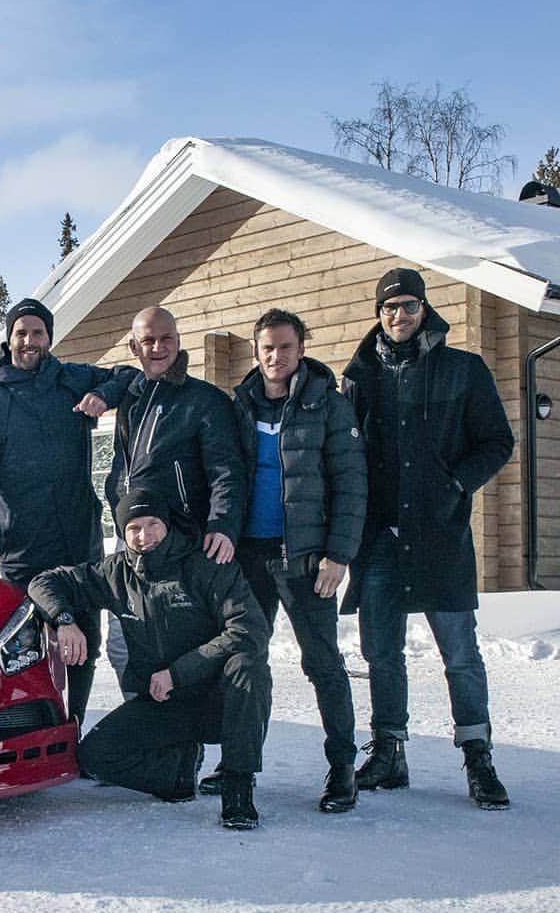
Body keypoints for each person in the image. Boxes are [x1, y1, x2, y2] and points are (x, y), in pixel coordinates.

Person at [341, 268, 514, 809]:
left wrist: (456, 482)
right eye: (389, 307)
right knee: (381, 651)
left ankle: (478, 753)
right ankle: (390, 751)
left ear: (424, 309)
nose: (399, 316)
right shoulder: (358, 376)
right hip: (381, 540)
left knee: (460, 654)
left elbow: (497, 441)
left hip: (440, 535)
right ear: (379, 313)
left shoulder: (462, 369)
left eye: (408, 306)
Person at [27, 489, 272, 830]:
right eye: (134, 528)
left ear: (167, 524)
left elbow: (250, 631)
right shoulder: (116, 573)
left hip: (219, 699)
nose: (145, 536)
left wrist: (178, 672)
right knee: (94, 756)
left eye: (153, 524)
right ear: (123, 533)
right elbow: (44, 582)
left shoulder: (205, 564)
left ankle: (238, 786)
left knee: (248, 666)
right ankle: (177, 774)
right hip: (164, 702)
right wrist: (64, 621)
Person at [213, 308, 367, 813]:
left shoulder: (328, 405)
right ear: (255, 352)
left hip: (306, 558)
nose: (275, 356)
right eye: (266, 348)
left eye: (284, 346)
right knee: (244, 661)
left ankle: (343, 766)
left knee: (322, 663)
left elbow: (350, 484)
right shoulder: (239, 406)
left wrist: (337, 555)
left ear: (301, 348)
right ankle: (237, 764)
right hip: (249, 556)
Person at [0, 297, 131, 727]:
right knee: (23, 637)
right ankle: (30, 725)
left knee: (84, 638)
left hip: (77, 535)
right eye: (21, 333)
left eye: (38, 333)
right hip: (20, 543)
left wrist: (102, 395)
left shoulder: (71, 380)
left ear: (49, 338)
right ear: (8, 338)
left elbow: (128, 376)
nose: (29, 341)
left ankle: (74, 723)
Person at [102, 305, 246, 691]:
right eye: (148, 340)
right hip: (132, 537)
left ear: (179, 341)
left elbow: (226, 471)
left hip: (180, 539)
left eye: (166, 338)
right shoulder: (130, 400)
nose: (158, 347)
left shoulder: (204, 400)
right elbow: (124, 466)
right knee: (122, 642)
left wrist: (222, 523)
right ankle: (144, 725)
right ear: (135, 347)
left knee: (177, 642)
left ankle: (184, 743)